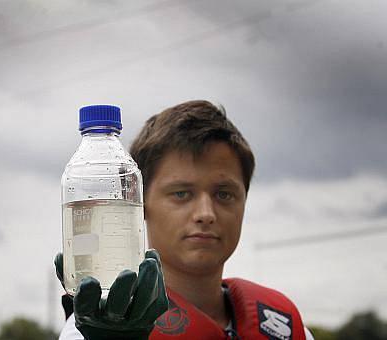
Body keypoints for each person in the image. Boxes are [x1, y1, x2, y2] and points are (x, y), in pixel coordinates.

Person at [56, 100, 315, 340]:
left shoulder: (288, 327)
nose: (206, 213)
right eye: (181, 194)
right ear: (139, 205)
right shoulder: (91, 331)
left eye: (224, 194)